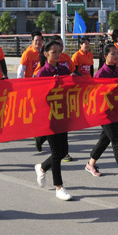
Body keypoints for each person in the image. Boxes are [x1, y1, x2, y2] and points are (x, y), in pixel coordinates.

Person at [85, 44, 118, 186]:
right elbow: (94, 95)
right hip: (105, 114)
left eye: (117, 53)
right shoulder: (101, 74)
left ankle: (90, 164)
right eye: (112, 54)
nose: (116, 56)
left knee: (105, 139)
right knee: (117, 142)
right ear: (105, 57)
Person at [33, 40, 74, 200]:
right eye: (53, 52)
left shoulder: (63, 69)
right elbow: (37, 96)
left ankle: (42, 167)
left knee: (63, 151)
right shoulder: (42, 73)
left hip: (62, 115)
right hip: (48, 117)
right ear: (45, 54)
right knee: (57, 152)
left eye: (59, 51)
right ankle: (59, 187)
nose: (57, 54)